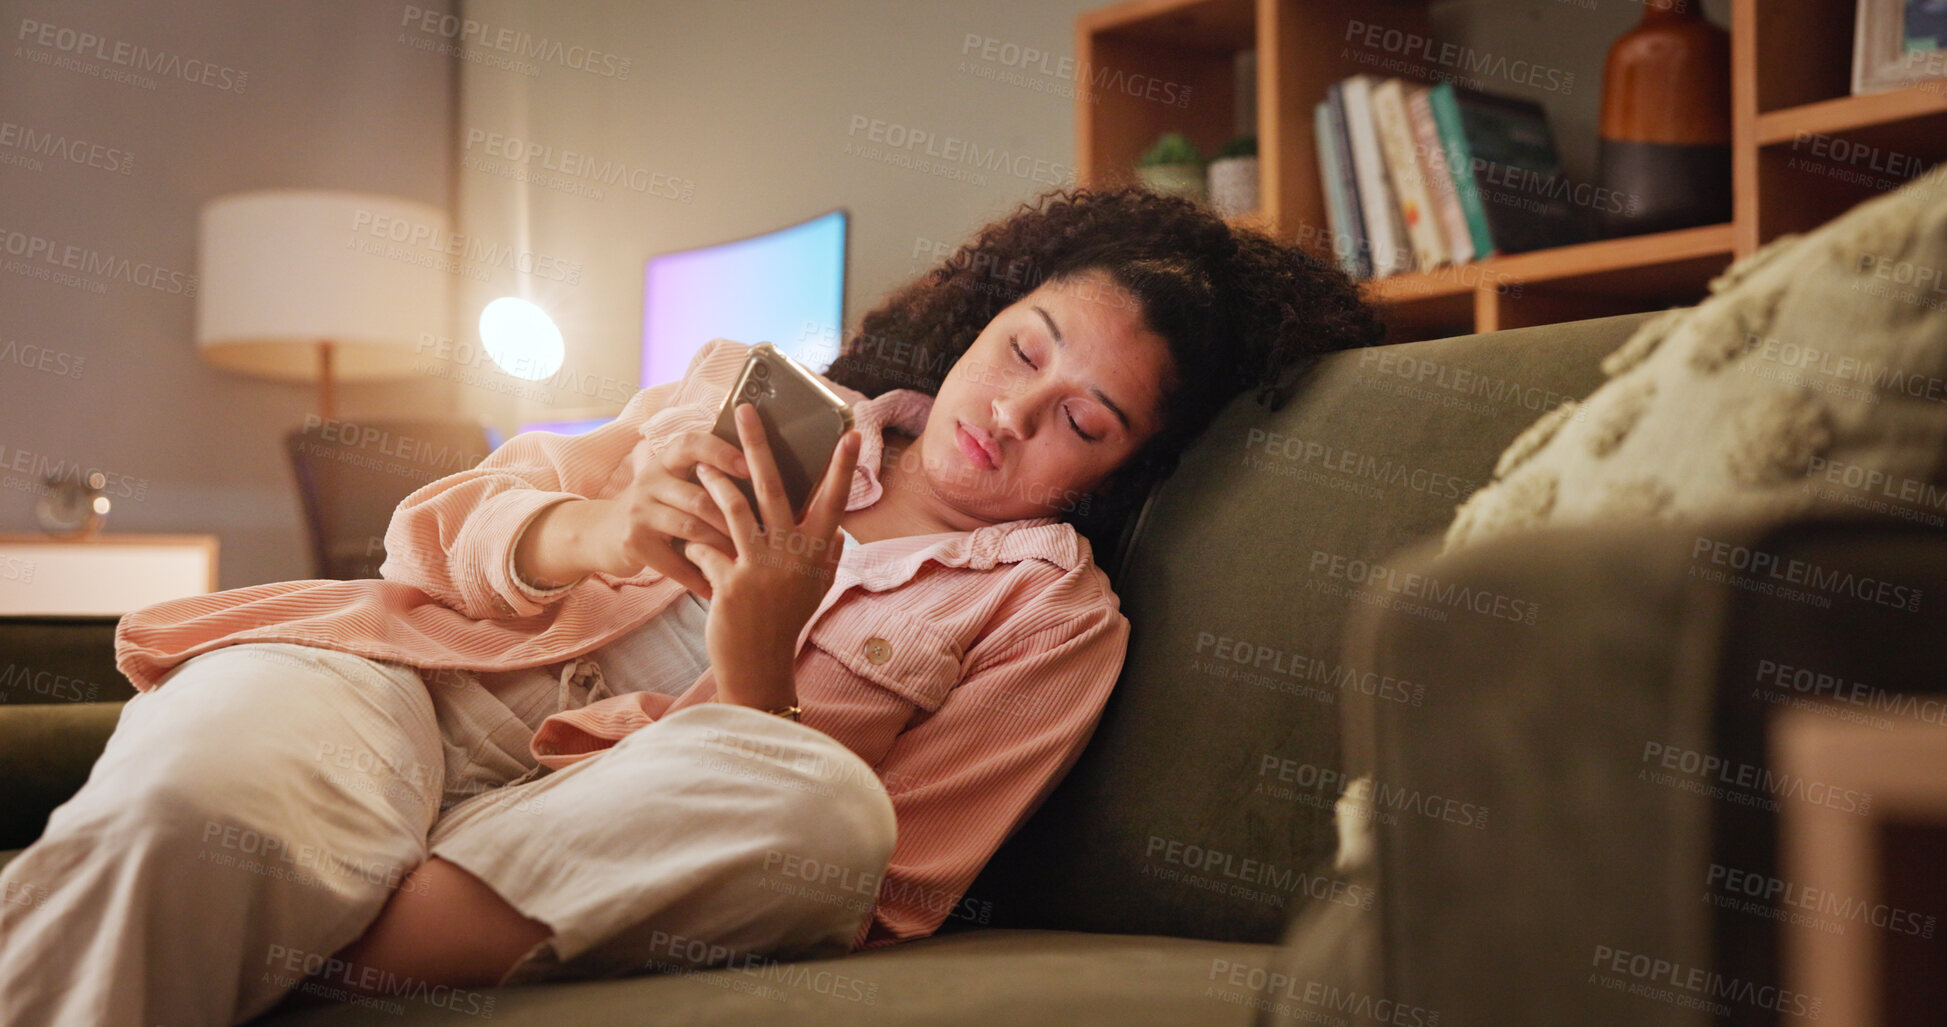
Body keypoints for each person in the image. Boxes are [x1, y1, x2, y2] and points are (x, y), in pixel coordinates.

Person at [0, 185, 1380, 1025]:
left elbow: (883, 892)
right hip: (405, 687)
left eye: (1082, 418)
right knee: (193, 812)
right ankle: (252, 896)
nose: (1014, 413)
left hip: (586, 830)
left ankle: (281, 920)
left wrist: (756, 669)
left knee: (819, 811)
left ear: (1115, 471)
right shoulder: (758, 389)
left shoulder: (1055, 619)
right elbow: (432, 537)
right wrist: (590, 526)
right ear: (982, 318)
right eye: (1023, 349)